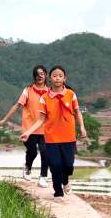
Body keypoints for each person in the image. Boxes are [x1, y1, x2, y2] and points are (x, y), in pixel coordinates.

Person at [20, 66, 87, 198]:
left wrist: (82, 127)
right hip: (51, 138)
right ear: (50, 78)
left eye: (60, 76)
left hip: (68, 137)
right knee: (55, 165)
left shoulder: (71, 94)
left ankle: (66, 180)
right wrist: (28, 132)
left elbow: (77, 112)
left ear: (64, 78)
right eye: (55, 76)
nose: (57, 78)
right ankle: (58, 193)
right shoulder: (44, 98)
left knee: (68, 165)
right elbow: (40, 120)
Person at [0, 65, 50, 187]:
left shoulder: (50, 92)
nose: (39, 76)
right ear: (34, 76)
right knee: (32, 152)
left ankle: (43, 177)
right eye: (37, 74)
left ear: (46, 74)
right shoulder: (28, 90)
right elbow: (17, 106)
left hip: (45, 129)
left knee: (45, 152)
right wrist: (4, 120)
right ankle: (27, 167)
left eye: (42, 73)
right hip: (29, 129)